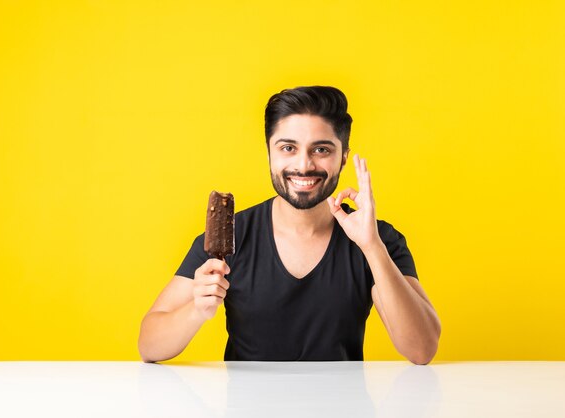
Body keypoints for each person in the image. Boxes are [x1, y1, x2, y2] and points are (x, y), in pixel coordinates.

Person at [138, 86, 441, 364]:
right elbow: (148, 346)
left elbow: (422, 349)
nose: (304, 165)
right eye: (288, 148)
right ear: (269, 152)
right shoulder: (234, 235)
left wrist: (373, 249)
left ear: (344, 157)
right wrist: (197, 310)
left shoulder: (376, 238)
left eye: (321, 149)